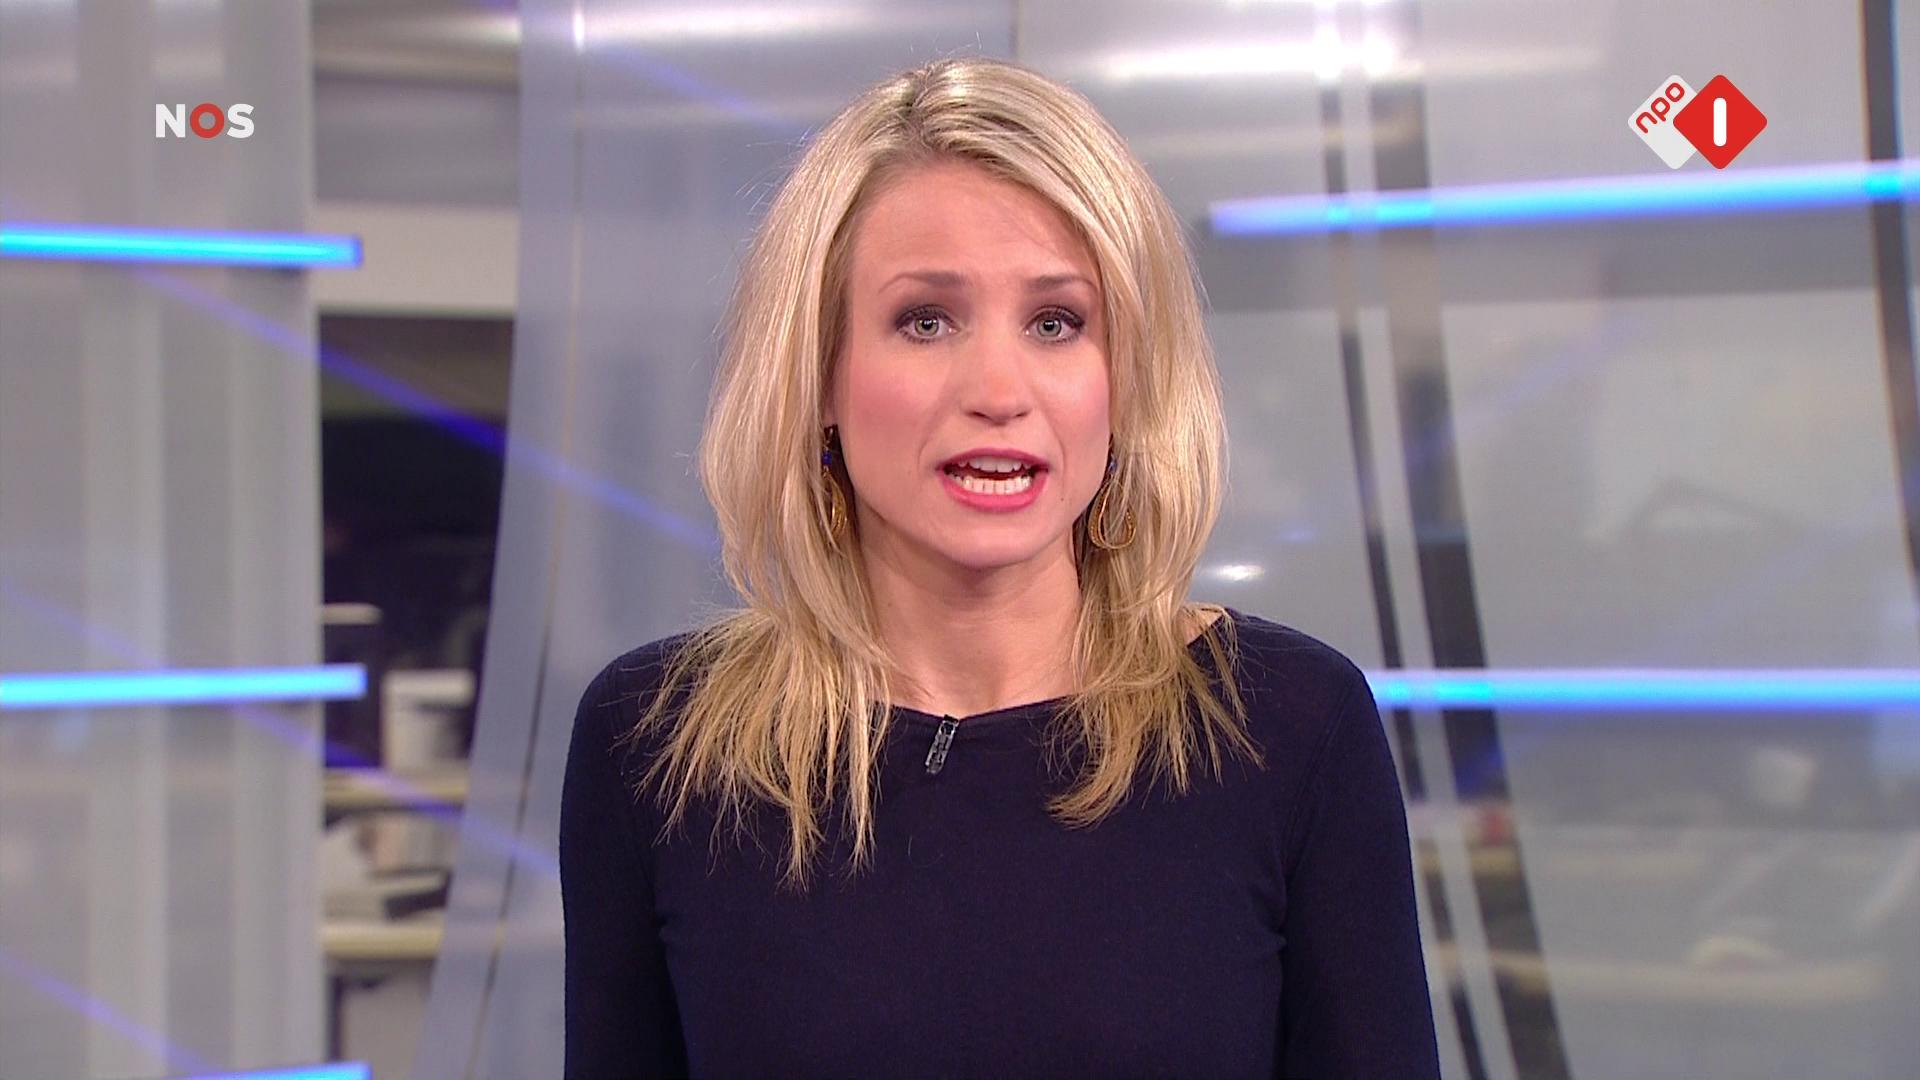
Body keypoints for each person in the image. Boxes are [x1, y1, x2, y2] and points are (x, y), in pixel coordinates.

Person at [560, 56, 1441, 1080]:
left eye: (1056, 324)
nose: (996, 389)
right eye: (925, 321)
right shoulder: (654, 742)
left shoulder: (1289, 726)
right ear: (819, 375)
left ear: (1126, 379)